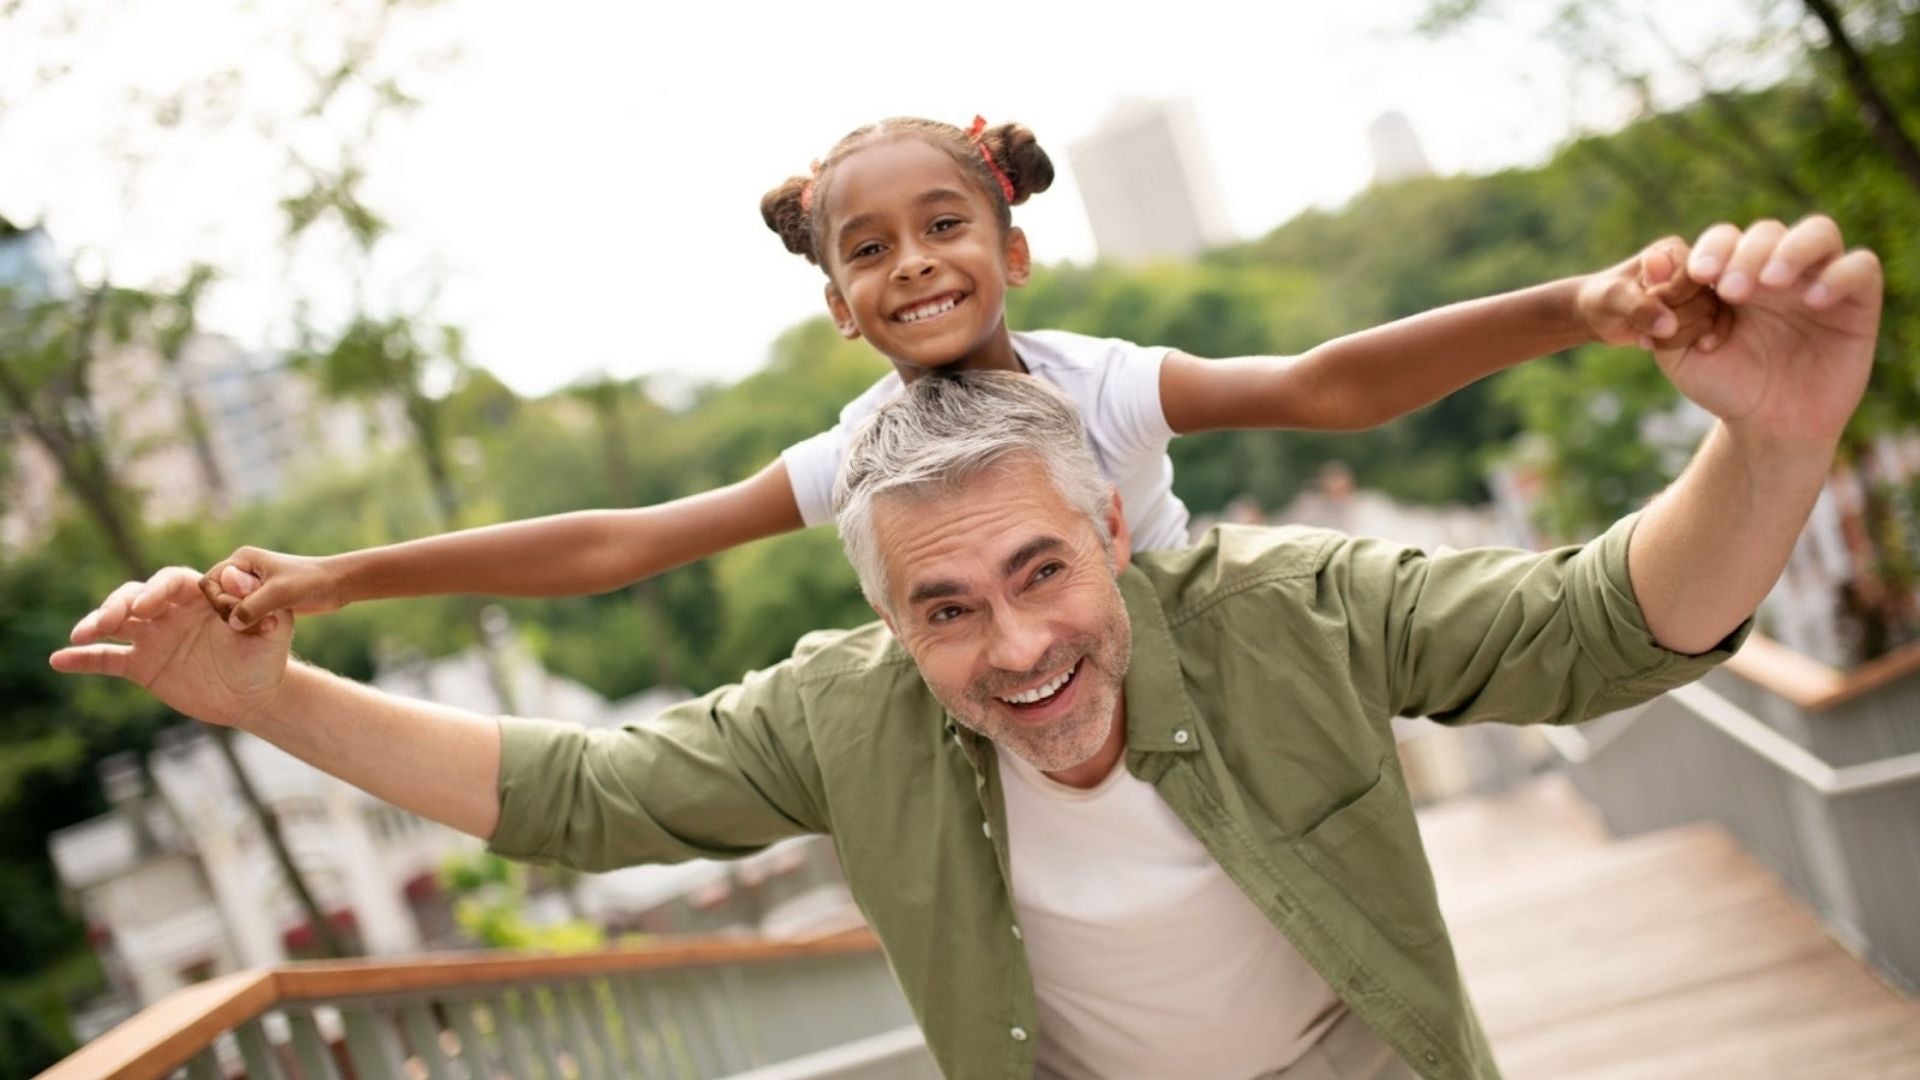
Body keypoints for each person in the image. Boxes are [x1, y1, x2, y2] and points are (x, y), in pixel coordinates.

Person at [55, 215, 1878, 1078]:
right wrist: (270, 691)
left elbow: (1598, 628)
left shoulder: (1278, 608)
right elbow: (578, 797)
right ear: (877, 614)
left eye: (1039, 575)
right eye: (942, 609)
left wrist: (1771, 439)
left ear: (1109, 529)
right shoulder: (845, 716)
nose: (1015, 650)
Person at [196, 114, 1722, 630]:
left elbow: (1325, 385)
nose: (914, 262)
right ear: (842, 304)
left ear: (1012, 251)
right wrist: (341, 575)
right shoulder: (858, 451)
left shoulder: (1100, 380)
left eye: (945, 227)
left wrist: (1584, 303)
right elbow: (626, 541)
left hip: (1199, 663)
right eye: (871, 250)